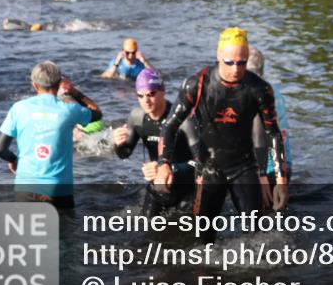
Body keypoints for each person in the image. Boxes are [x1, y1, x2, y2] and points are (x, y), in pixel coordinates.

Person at [155, 27, 288, 240]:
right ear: (218, 56)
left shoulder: (259, 89)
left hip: (244, 167)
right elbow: (170, 125)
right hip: (209, 168)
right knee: (203, 242)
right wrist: (164, 164)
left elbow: (272, 133)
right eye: (229, 62)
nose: (236, 69)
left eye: (242, 62)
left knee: (256, 239)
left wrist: (280, 181)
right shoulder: (197, 84)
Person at [0, 61, 102, 207]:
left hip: (26, 187)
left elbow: (0, 149)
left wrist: (15, 161)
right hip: (58, 190)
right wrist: (74, 92)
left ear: (34, 85)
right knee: (64, 228)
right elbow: (97, 113)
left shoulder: (18, 109)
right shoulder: (69, 110)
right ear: (59, 84)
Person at [113, 69, 199, 217]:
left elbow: (203, 163)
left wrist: (170, 168)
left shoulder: (183, 120)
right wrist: (118, 144)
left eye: (151, 94)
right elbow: (125, 154)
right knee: (145, 228)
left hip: (188, 187)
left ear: (163, 92)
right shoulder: (137, 117)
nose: (146, 101)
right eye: (140, 95)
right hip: (159, 185)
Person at [246, 46, 293, 190]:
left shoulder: (251, 95)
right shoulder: (275, 91)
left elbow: (257, 138)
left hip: (263, 173)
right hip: (284, 169)